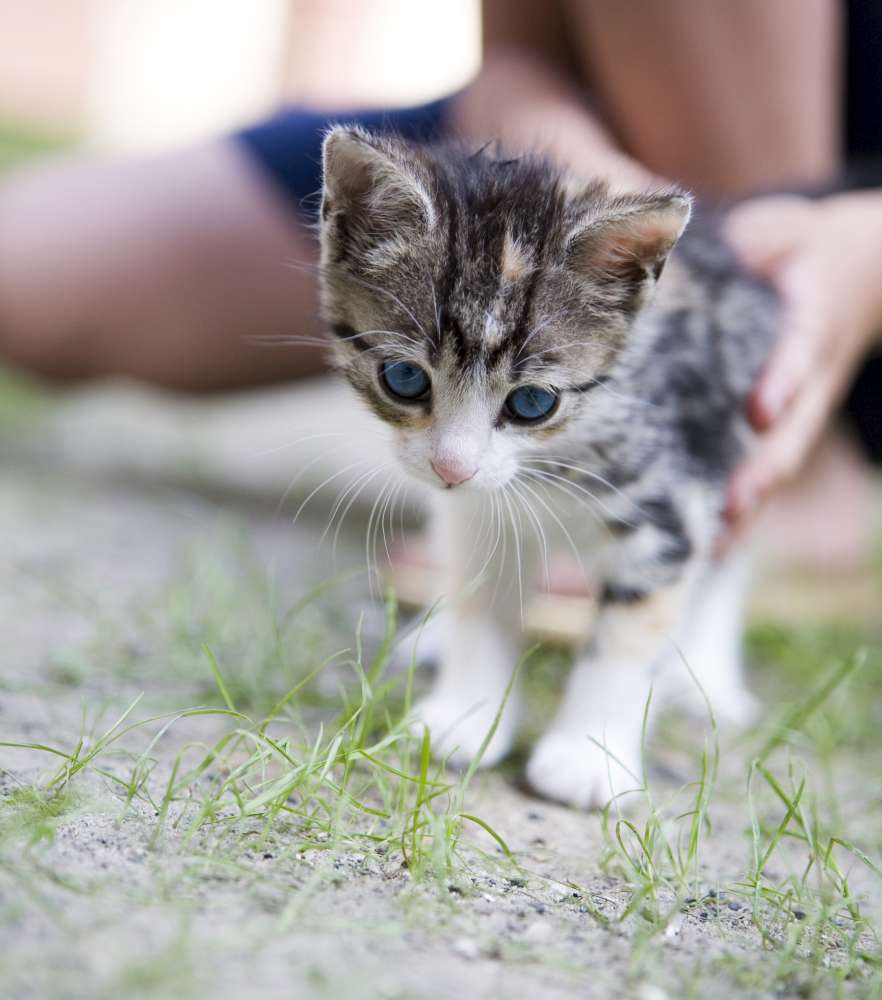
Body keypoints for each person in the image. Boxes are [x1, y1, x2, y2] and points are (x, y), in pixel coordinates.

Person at [1, 0, 880, 559]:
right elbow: (513, 58)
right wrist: (578, 188)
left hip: (834, 221)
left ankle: (771, 458)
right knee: (26, 273)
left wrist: (861, 253)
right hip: (546, 198)